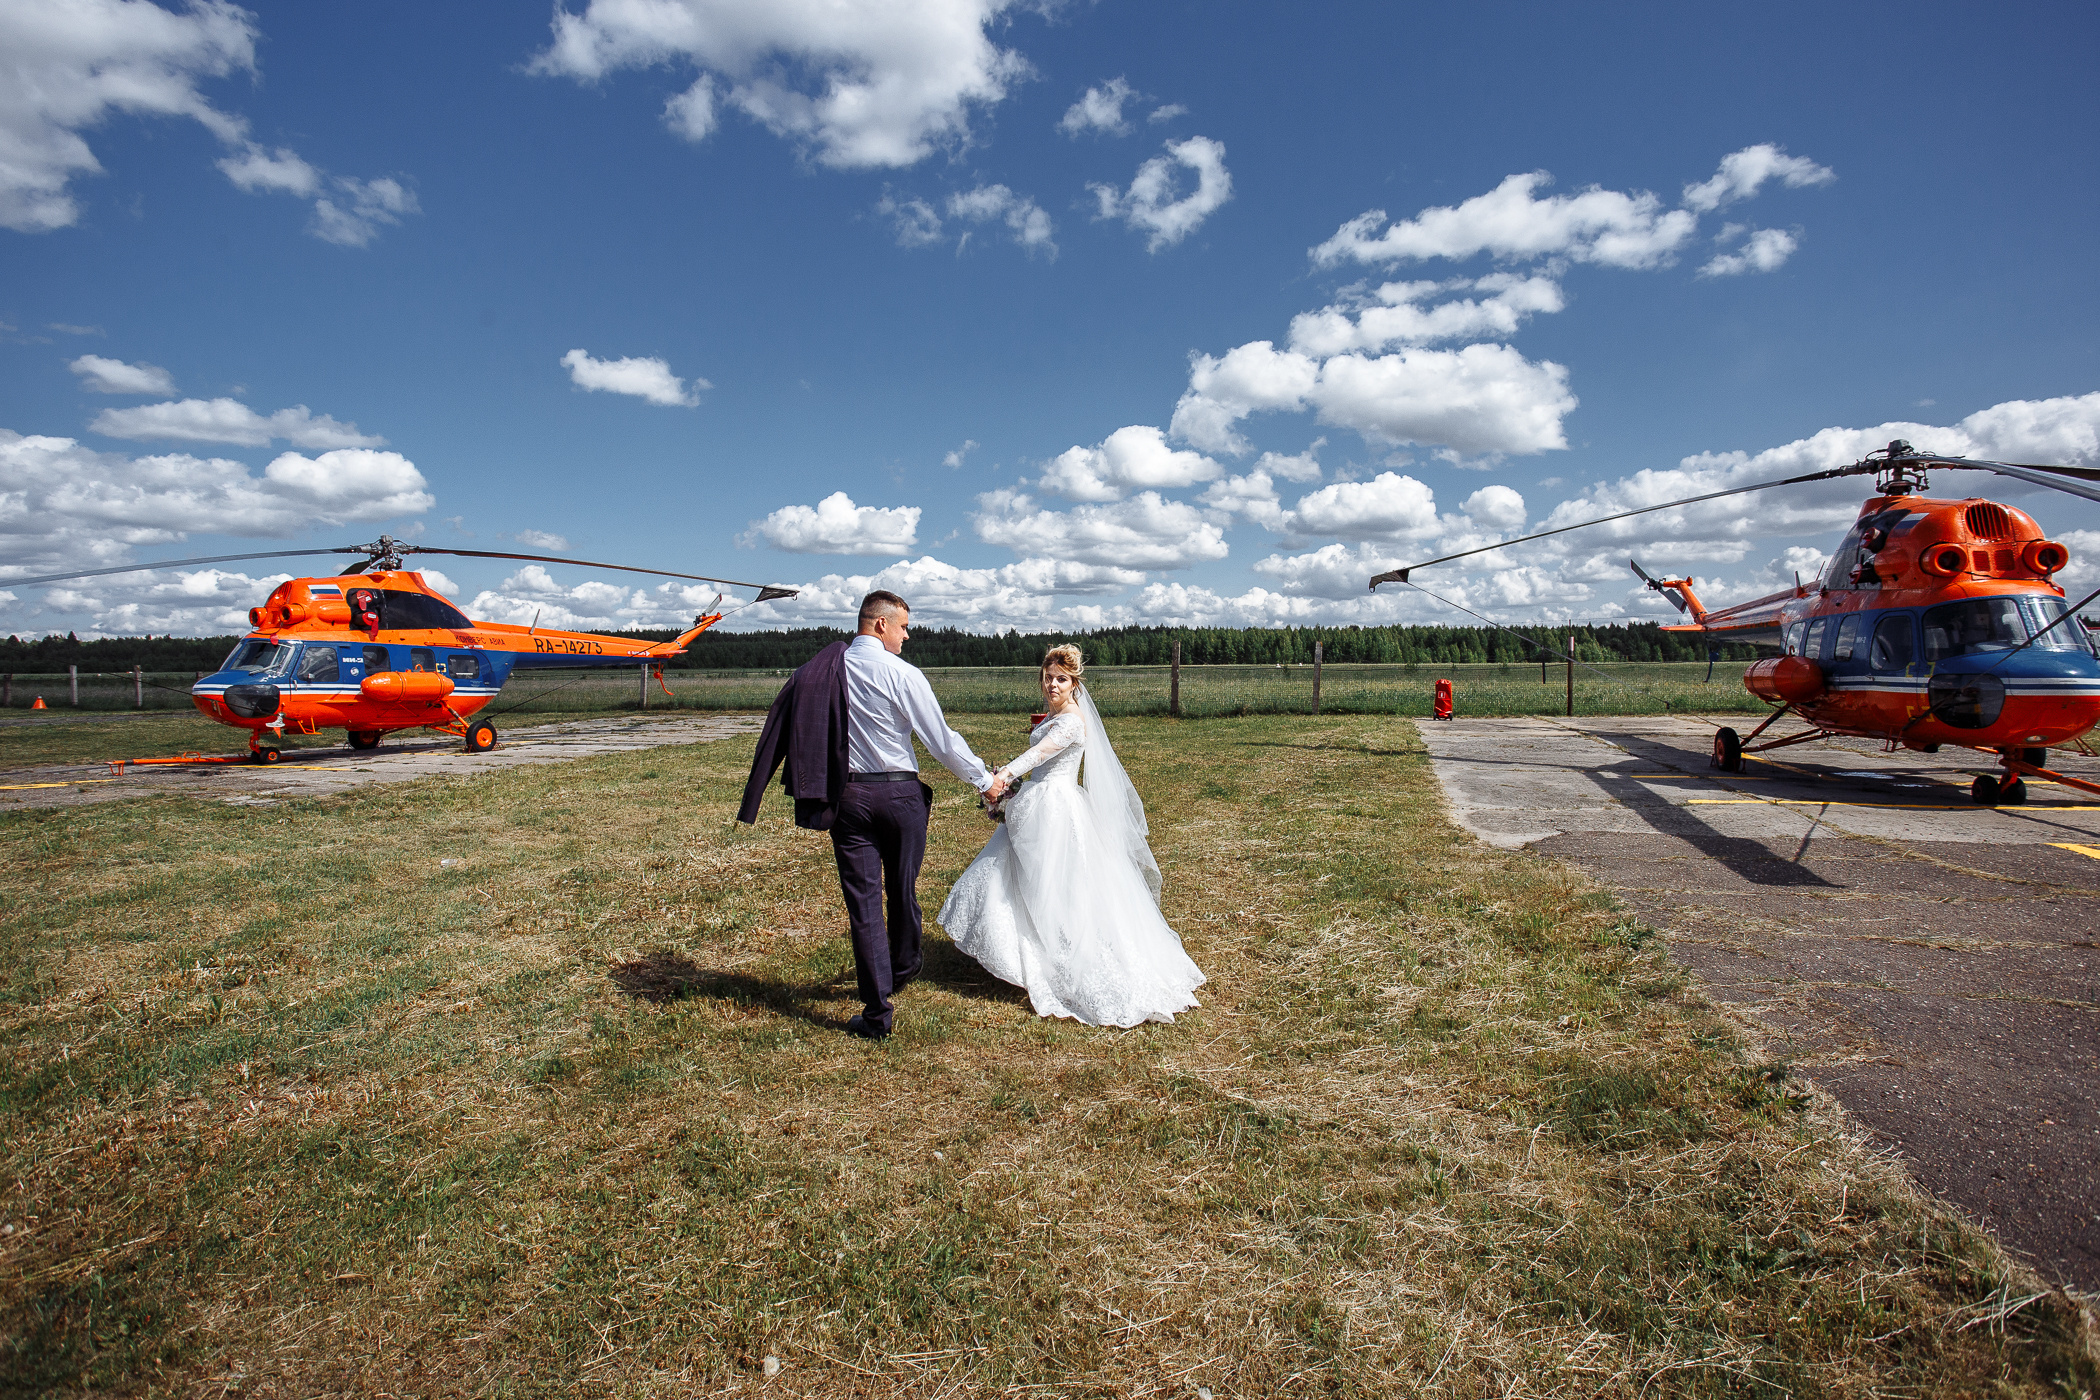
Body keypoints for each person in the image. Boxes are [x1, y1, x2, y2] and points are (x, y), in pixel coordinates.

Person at [737, 591, 1001, 1040]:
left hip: (849, 798)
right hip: (899, 797)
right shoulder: (902, 674)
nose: (906, 635)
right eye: (902, 626)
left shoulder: (820, 674)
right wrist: (984, 779)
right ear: (880, 624)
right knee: (901, 890)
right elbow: (940, 739)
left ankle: (877, 1011)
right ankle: (904, 964)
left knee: (863, 905)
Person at [937, 645, 1205, 1027]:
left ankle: (1061, 954)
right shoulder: (1053, 714)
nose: (1052, 684)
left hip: (1056, 806)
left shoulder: (1071, 721)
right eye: (1047, 677)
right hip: (1039, 800)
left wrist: (1002, 779)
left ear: (1074, 683)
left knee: (1054, 884)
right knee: (1008, 873)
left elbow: (1038, 756)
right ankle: (1015, 949)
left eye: (1061, 679)